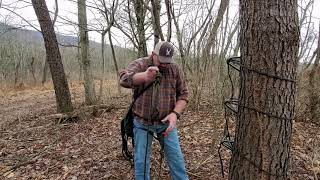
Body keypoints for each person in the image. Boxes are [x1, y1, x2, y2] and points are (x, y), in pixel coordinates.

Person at [119, 41, 189, 180]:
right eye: (161, 61)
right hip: (142, 123)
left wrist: (175, 114)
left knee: (177, 161)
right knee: (141, 164)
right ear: (153, 54)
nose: (164, 65)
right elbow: (123, 79)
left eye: (167, 61)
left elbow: (184, 94)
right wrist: (144, 76)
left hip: (166, 124)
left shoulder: (174, 69)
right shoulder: (141, 64)